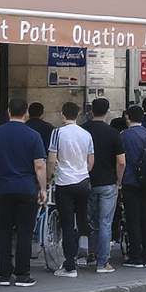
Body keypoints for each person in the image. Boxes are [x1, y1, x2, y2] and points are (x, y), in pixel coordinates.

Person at [0, 98, 48, 287]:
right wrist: (43, 188)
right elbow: (39, 165)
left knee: (3, 231)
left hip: (3, 187)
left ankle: (4, 273)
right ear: (26, 112)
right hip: (26, 188)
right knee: (25, 232)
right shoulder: (33, 135)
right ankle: (22, 274)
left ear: (8, 112)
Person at [48, 102, 94, 278]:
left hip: (64, 183)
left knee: (67, 224)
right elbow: (91, 161)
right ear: (79, 114)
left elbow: (52, 159)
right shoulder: (86, 134)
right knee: (82, 219)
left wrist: (49, 177)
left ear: (62, 115)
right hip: (83, 181)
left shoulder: (57, 133)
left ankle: (70, 266)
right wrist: (82, 172)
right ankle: (83, 253)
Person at [82, 98, 125, 273]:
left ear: (91, 111)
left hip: (88, 181)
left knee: (93, 222)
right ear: (107, 111)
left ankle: (91, 255)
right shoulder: (113, 133)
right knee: (105, 222)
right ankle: (103, 262)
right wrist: (119, 180)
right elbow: (121, 161)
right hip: (108, 182)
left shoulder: (83, 130)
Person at [120, 105, 146, 267]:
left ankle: (135, 256)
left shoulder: (124, 136)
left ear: (127, 118)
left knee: (133, 219)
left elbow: (120, 160)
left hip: (131, 181)